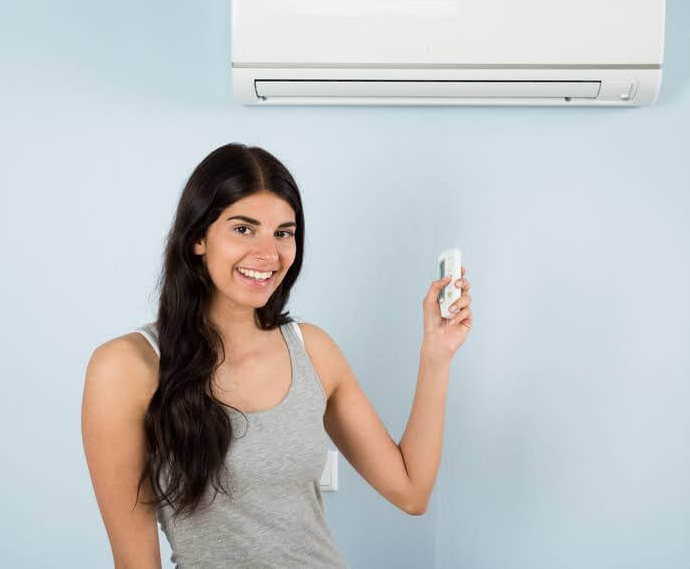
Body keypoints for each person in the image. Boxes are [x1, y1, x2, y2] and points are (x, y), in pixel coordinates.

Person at [81, 143, 473, 567]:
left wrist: (436, 355)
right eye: (243, 229)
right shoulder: (126, 368)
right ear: (197, 237)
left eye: (283, 233)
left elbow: (411, 491)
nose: (269, 255)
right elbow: (135, 561)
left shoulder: (313, 350)